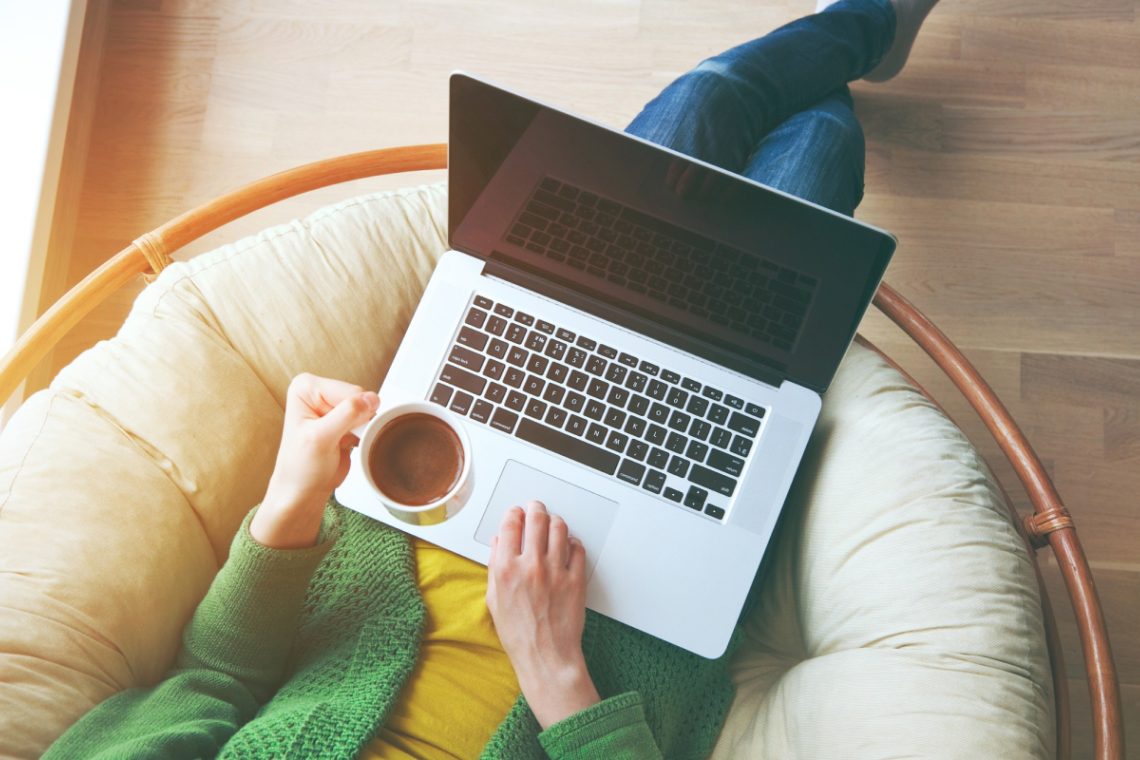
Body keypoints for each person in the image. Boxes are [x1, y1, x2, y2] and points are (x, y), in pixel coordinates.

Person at [45, 0, 938, 757]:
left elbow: (217, 673)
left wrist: (288, 504)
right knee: (816, 148)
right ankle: (857, 32)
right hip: (617, 614)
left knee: (705, 104)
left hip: (431, 484)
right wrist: (558, 678)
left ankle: (858, 28)